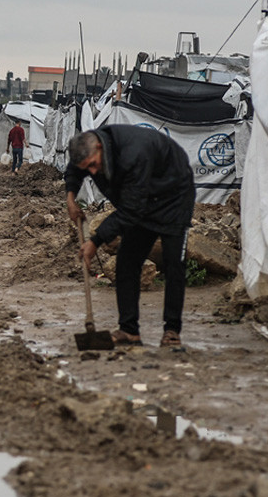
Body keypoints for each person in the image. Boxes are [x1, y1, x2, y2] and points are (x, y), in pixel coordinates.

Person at [65, 126, 195, 349]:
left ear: (99, 147)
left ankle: (172, 330)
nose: (93, 172)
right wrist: (70, 197)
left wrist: (95, 241)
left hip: (173, 198)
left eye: (94, 165)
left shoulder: (135, 154)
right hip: (143, 200)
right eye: (88, 168)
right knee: (127, 261)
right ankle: (129, 330)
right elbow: (75, 170)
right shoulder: (88, 149)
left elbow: (132, 210)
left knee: (174, 264)